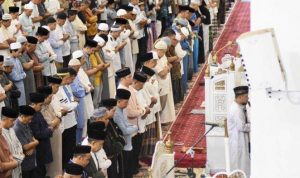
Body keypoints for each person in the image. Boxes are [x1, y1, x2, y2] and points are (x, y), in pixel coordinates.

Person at [54, 68, 78, 169]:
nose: (71, 81)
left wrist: (73, 104)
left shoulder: (67, 87)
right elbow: (66, 107)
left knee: (71, 148)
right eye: (69, 79)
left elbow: (72, 101)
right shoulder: (57, 90)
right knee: (66, 150)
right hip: (65, 124)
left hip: (72, 121)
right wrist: (74, 104)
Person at [113, 89, 138, 178]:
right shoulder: (116, 113)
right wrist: (135, 128)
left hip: (128, 143)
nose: (127, 105)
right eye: (125, 102)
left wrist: (132, 127)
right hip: (123, 147)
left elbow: (126, 123)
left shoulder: (122, 109)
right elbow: (124, 131)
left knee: (129, 170)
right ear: (119, 101)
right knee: (124, 172)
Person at [227, 86, 251, 177]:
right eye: (246, 96)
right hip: (237, 142)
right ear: (240, 97)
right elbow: (242, 127)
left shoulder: (239, 107)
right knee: (240, 165)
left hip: (240, 140)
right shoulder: (236, 110)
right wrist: (256, 126)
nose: (247, 98)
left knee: (243, 164)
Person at [28, 92, 53, 177]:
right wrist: (50, 130)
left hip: (42, 149)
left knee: (42, 171)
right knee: (39, 172)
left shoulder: (37, 112)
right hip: (38, 150)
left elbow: (44, 124)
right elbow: (37, 134)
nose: (41, 107)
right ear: (33, 104)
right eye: (40, 105)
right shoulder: (31, 115)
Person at [13, 105, 38, 178]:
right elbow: (25, 147)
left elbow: (32, 137)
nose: (30, 121)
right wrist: (36, 143)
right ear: (22, 116)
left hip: (32, 161)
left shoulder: (25, 123)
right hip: (24, 165)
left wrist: (32, 146)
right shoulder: (17, 128)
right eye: (29, 119)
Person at [1, 107, 24, 178]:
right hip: (9, 168)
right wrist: (19, 158)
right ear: (4, 118)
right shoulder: (1, 133)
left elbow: (18, 145)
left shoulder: (12, 130)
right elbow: (7, 153)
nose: (14, 123)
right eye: (12, 120)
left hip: (18, 164)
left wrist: (21, 155)